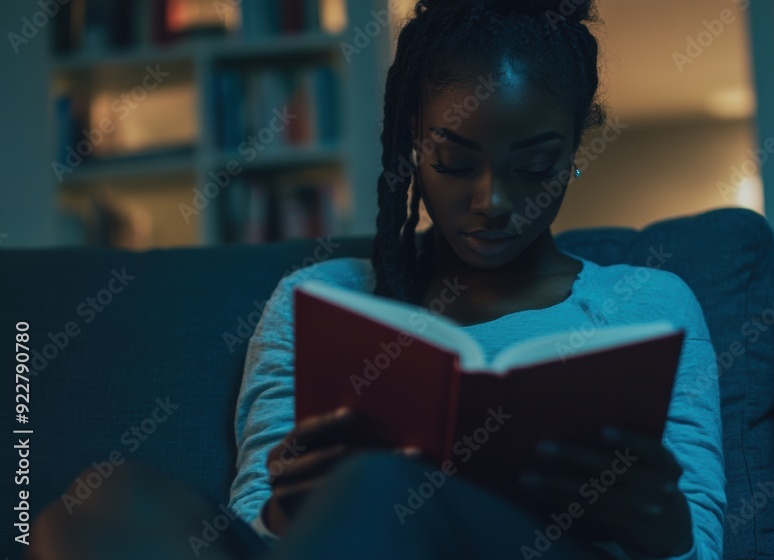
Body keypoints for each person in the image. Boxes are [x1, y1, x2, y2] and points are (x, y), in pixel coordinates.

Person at [227, 0, 725, 559]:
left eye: (536, 167)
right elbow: (245, 534)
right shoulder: (316, 302)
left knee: (379, 481)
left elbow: (703, 549)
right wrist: (285, 507)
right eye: (455, 163)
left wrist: (665, 531)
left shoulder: (650, 308)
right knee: (120, 498)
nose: (493, 202)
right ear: (411, 140)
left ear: (575, 149)